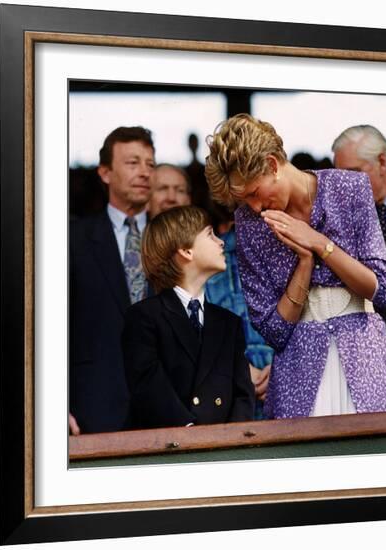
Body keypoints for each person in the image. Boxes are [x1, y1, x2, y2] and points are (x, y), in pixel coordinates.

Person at [205, 113, 386, 419]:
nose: (255, 207)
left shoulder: (349, 188)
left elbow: (382, 288)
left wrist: (319, 244)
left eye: (254, 193)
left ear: (271, 165)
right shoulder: (249, 224)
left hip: (363, 357)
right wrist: (304, 263)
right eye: (244, 201)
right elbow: (274, 331)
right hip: (297, 369)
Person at [121, 205, 255, 429]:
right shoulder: (144, 317)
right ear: (186, 251)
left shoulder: (229, 323)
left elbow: (243, 395)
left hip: (223, 449)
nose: (221, 242)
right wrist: (190, 435)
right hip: (170, 449)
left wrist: (232, 442)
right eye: (210, 234)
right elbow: (149, 388)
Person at [69, 126, 155, 434]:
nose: (145, 172)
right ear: (105, 173)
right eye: (133, 163)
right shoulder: (73, 239)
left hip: (168, 411)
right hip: (93, 407)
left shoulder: (173, 240)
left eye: (150, 164)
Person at [332, 125, 386, 409]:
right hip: (365, 369)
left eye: (352, 173)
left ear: (383, 163)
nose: (343, 185)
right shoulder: (342, 222)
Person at [205, 203, 273, 418]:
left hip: (290, 384)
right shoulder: (212, 257)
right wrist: (239, 371)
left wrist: (283, 369)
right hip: (230, 397)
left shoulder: (297, 251)